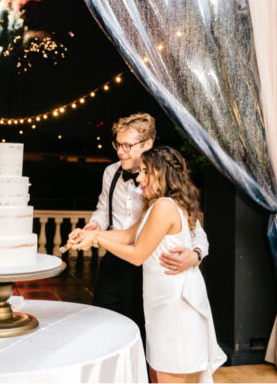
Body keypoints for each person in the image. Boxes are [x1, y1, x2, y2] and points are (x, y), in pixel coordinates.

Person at [69, 146, 227, 383]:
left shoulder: (165, 206)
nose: (139, 178)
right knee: (156, 373)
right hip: (159, 304)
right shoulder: (156, 204)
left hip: (174, 306)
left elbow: (137, 254)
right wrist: (87, 235)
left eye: (145, 172)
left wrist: (98, 239)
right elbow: (128, 235)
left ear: (162, 173)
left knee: (166, 374)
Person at [85, 113, 203, 343]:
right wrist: (95, 225)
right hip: (114, 258)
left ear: (148, 144)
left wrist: (196, 255)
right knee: (102, 325)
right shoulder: (110, 172)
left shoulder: (166, 188)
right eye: (117, 144)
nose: (120, 151)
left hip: (145, 266)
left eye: (128, 146)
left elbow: (195, 230)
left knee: (140, 335)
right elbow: (103, 209)